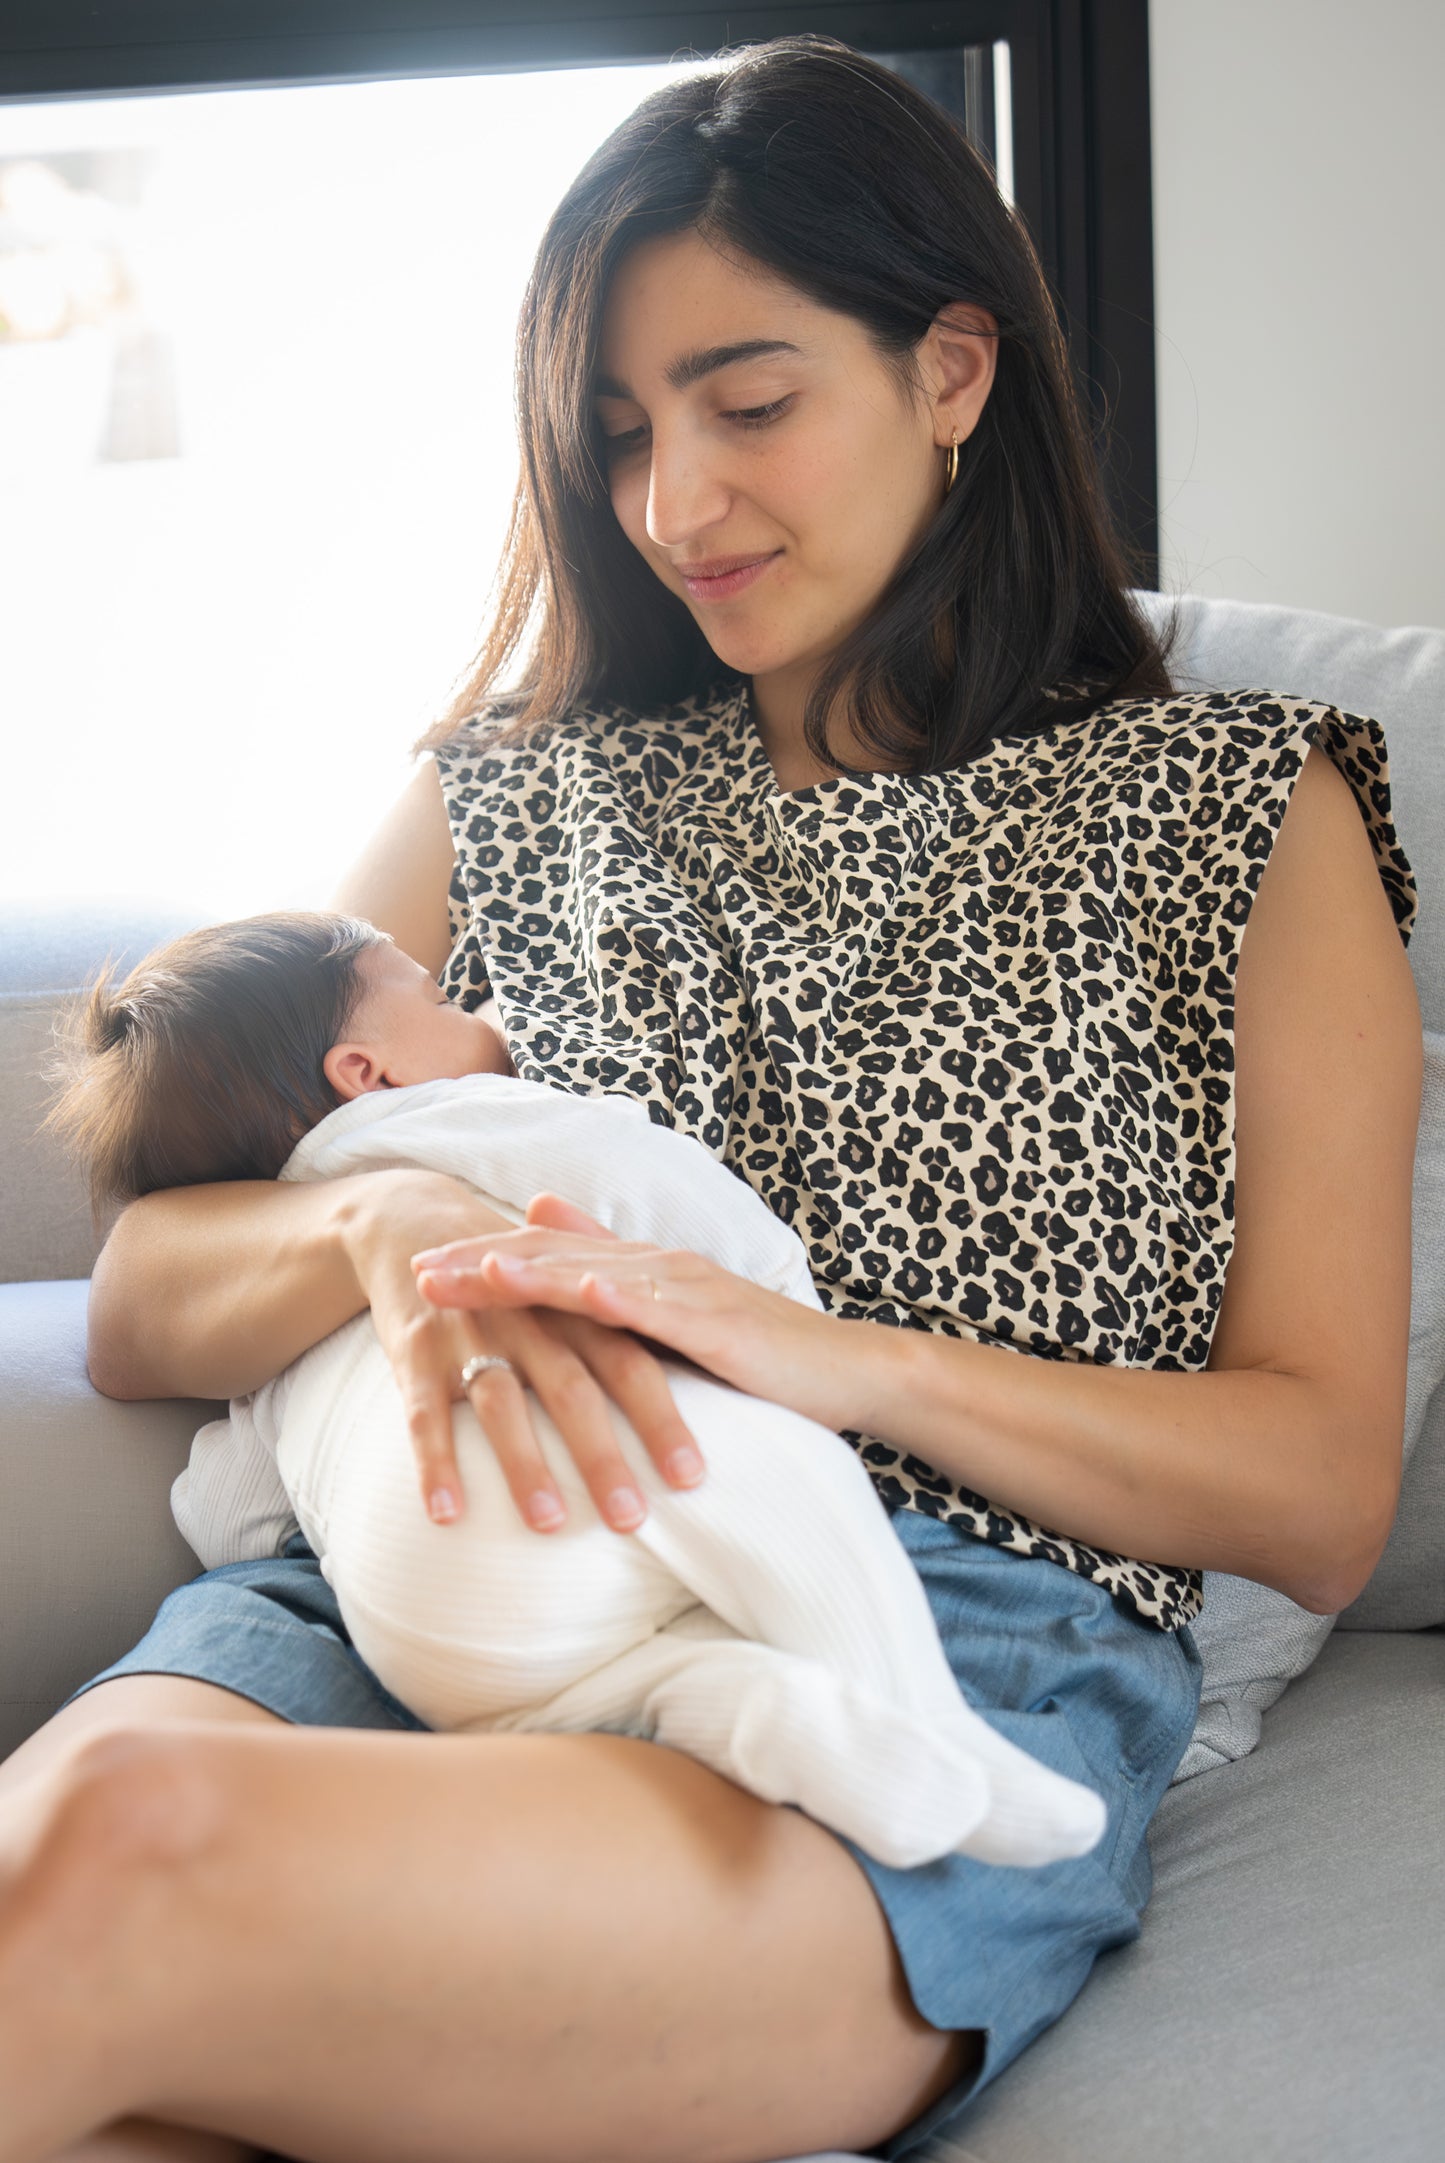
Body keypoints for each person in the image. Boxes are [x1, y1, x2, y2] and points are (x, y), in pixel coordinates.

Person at [0, 31, 1422, 2163]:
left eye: (747, 402)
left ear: (949, 369)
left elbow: (1309, 1482)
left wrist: (813, 1356)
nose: (671, 502)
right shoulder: (506, 790)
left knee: (123, 1853)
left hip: (907, 1654)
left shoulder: (1234, 808)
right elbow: (139, 1293)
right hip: (388, 1585)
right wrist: (382, 1227)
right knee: (93, 1878)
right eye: (617, 431)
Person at [45, 908, 1109, 1872]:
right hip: (593, 1469)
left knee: (615, 1689)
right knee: (789, 1481)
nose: (482, 1013)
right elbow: (650, 1191)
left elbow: (229, 1511)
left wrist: (331, 1544)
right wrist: (779, 1302)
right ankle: (924, 1722)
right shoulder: (462, 1117)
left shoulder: (270, 1279)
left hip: (414, 1613)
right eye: (445, 996)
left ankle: (763, 1715)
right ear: (363, 1072)